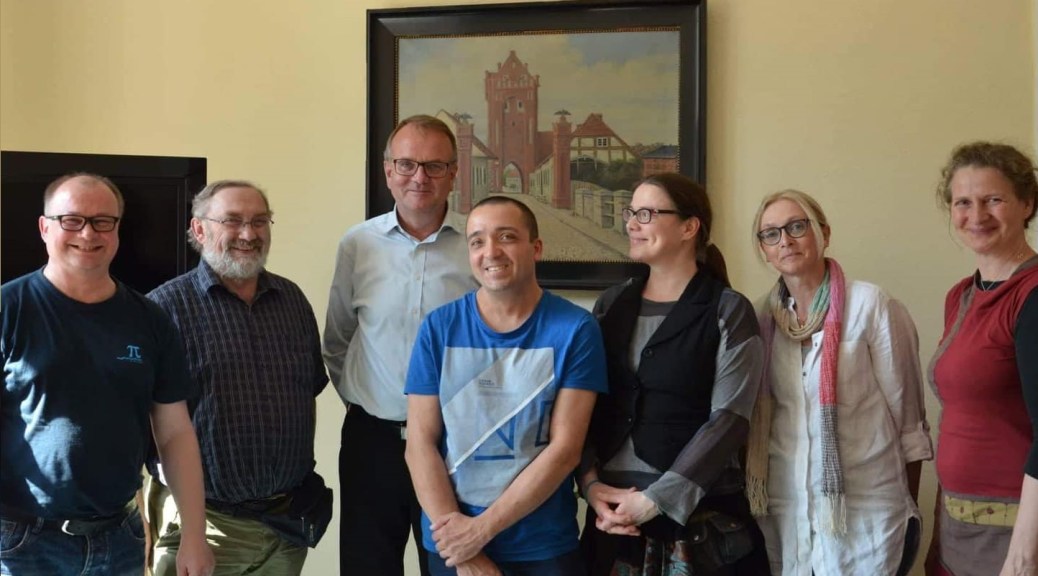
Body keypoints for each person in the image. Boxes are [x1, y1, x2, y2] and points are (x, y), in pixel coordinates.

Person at [0, 173, 213, 575]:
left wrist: (194, 536)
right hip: (22, 543)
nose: (88, 232)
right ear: (45, 227)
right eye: (71, 220)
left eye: (103, 221)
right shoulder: (9, 309)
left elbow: (174, 432)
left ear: (117, 230)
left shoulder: (150, 320)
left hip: (119, 541)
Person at [404, 195, 607, 576]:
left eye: (507, 237)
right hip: (451, 541)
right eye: (477, 241)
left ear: (536, 247)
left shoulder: (576, 329)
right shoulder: (438, 327)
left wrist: (480, 531)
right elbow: (419, 445)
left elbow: (565, 450)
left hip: (541, 544)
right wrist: (464, 549)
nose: (490, 251)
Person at [579, 173, 770, 576]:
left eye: (646, 213)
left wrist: (654, 501)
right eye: (631, 213)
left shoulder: (728, 311)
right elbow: (581, 408)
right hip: (612, 523)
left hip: (703, 528)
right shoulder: (610, 306)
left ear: (689, 227)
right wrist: (591, 486)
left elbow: (730, 420)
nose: (631, 223)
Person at [745, 188, 933, 576]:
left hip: (867, 510)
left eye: (797, 227)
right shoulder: (759, 317)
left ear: (823, 234)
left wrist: (907, 505)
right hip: (787, 511)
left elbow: (909, 421)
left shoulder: (872, 305)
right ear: (764, 249)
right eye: (771, 233)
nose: (786, 240)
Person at [146, 180, 328, 575]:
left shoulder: (292, 301)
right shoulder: (163, 310)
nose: (248, 234)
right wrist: (190, 531)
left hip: (287, 527)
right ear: (199, 229)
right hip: (205, 529)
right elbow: (145, 424)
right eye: (232, 221)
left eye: (259, 221)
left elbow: (307, 393)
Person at [324, 114, 479, 575]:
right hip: (373, 443)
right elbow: (337, 339)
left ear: (454, 172)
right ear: (388, 170)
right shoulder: (358, 244)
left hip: (458, 445)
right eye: (407, 164)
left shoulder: (478, 242)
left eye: (434, 166)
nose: (419, 177)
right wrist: (366, 402)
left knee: (453, 564)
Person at [926, 142, 1038, 576]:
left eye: (993, 200)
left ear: (1027, 203)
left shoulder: (1031, 296)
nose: (977, 215)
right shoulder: (962, 295)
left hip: (1015, 530)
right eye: (963, 203)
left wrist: (1025, 555)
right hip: (958, 523)